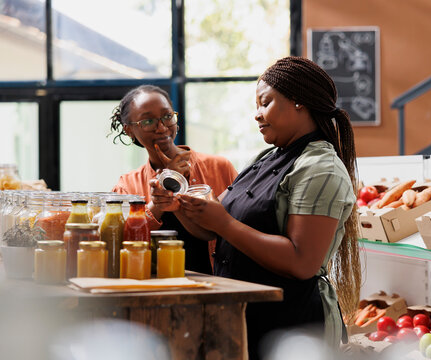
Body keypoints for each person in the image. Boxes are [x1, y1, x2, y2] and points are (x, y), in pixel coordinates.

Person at [151, 56, 362, 358]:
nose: (257, 115)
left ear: (299, 101)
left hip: (293, 327)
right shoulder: (266, 158)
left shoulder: (320, 168)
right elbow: (208, 226)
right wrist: (177, 203)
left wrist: (223, 223)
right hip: (247, 317)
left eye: (265, 103)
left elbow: (301, 262)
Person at [109, 85, 238, 274]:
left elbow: (238, 227)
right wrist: (157, 202)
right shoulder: (126, 186)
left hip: (218, 285)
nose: (161, 127)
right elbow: (124, 245)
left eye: (167, 116)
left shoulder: (219, 167)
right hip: (155, 289)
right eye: (148, 121)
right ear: (129, 130)